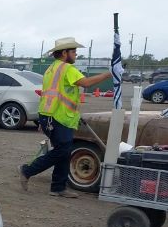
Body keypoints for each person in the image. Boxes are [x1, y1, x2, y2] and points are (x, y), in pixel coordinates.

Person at [18, 37, 118, 198]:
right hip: (58, 116)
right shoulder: (66, 68)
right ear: (64, 53)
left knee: (63, 151)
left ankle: (58, 187)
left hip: (50, 115)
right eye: (73, 52)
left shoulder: (52, 68)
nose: (76, 55)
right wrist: (110, 73)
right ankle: (27, 170)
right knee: (63, 150)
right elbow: (86, 83)